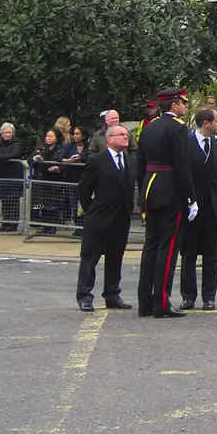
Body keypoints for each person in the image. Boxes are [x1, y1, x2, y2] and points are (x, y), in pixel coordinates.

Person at [136, 88, 197, 319]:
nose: (185, 106)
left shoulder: (149, 127)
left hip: (150, 189)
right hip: (171, 190)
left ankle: (145, 302)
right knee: (168, 247)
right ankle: (161, 302)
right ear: (174, 105)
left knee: (151, 245)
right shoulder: (178, 128)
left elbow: (140, 165)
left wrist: (143, 190)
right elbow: (183, 166)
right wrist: (190, 198)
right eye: (182, 102)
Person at [75, 125, 135, 313]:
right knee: (90, 257)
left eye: (127, 135)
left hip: (121, 217)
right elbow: (84, 189)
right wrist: (92, 209)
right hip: (99, 217)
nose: (126, 137)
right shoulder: (96, 161)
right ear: (109, 139)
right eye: (121, 135)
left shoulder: (131, 161)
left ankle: (112, 294)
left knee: (115, 257)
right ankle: (85, 296)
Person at [181, 108, 217, 311]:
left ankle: (209, 297)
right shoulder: (186, 143)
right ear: (206, 122)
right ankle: (188, 296)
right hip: (191, 207)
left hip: (213, 207)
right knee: (189, 254)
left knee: (212, 255)